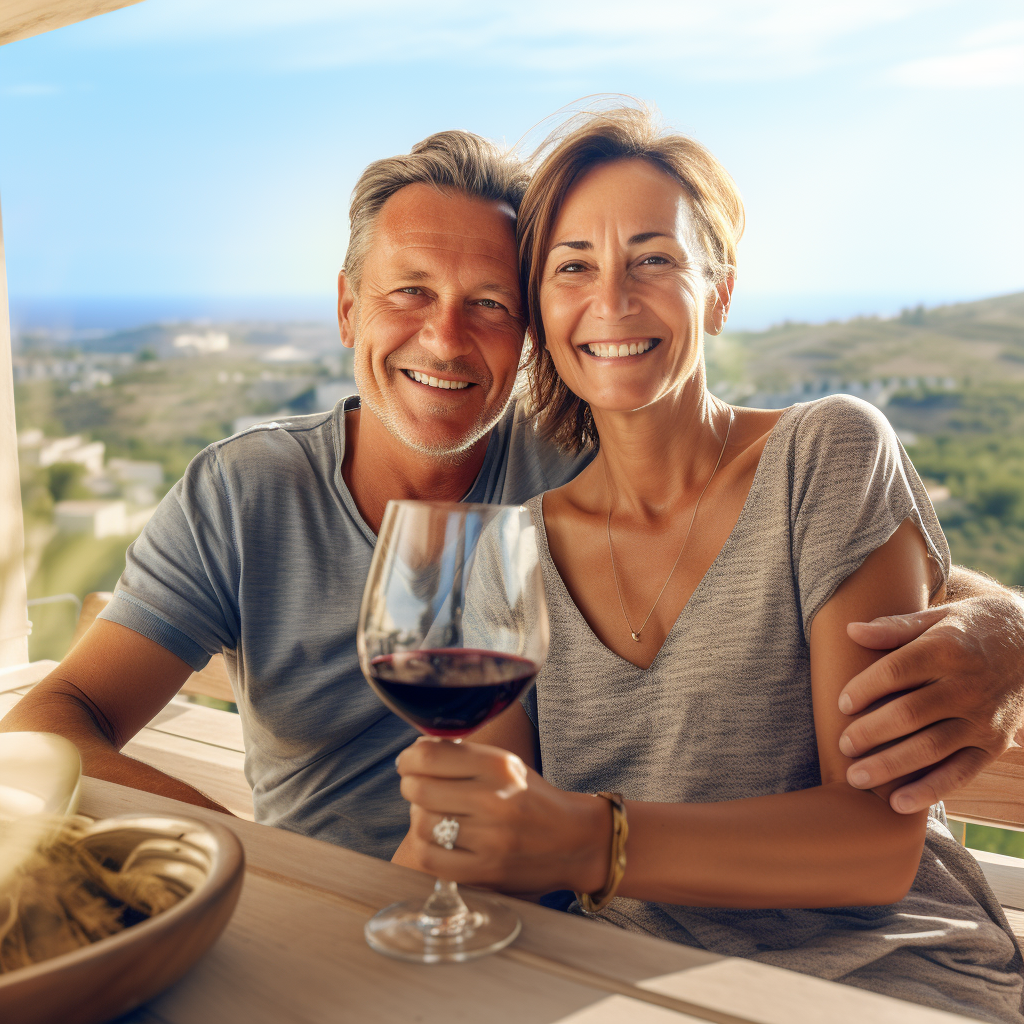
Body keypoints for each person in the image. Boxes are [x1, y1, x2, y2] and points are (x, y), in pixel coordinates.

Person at [2, 129, 1022, 863]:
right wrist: (245, 857)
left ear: (531, 330)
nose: (446, 338)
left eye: (488, 303)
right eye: (409, 292)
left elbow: (776, 525)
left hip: (554, 909)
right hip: (346, 906)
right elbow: (58, 716)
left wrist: (1004, 626)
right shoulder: (245, 493)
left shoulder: (575, 458)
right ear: (348, 307)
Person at [392, 110, 1023, 1020]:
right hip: (628, 992)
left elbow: (871, 844)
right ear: (541, 313)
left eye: (654, 258)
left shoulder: (826, 455)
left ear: (719, 292)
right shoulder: (509, 552)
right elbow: (478, 844)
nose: (611, 300)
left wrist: (588, 840)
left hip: (886, 979)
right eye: (573, 266)